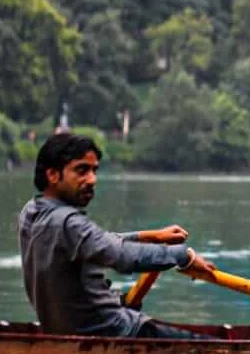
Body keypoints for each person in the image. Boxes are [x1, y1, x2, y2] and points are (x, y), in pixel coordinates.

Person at [18, 134, 217, 338]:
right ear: (52, 174)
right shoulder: (69, 222)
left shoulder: (31, 211)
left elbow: (95, 241)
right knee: (212, 346)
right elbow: (122, 257)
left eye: (94, 170)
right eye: (81, 170)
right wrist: (183, 256)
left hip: (67, 330)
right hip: (110, 331)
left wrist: (150, 236)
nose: (92, 180)